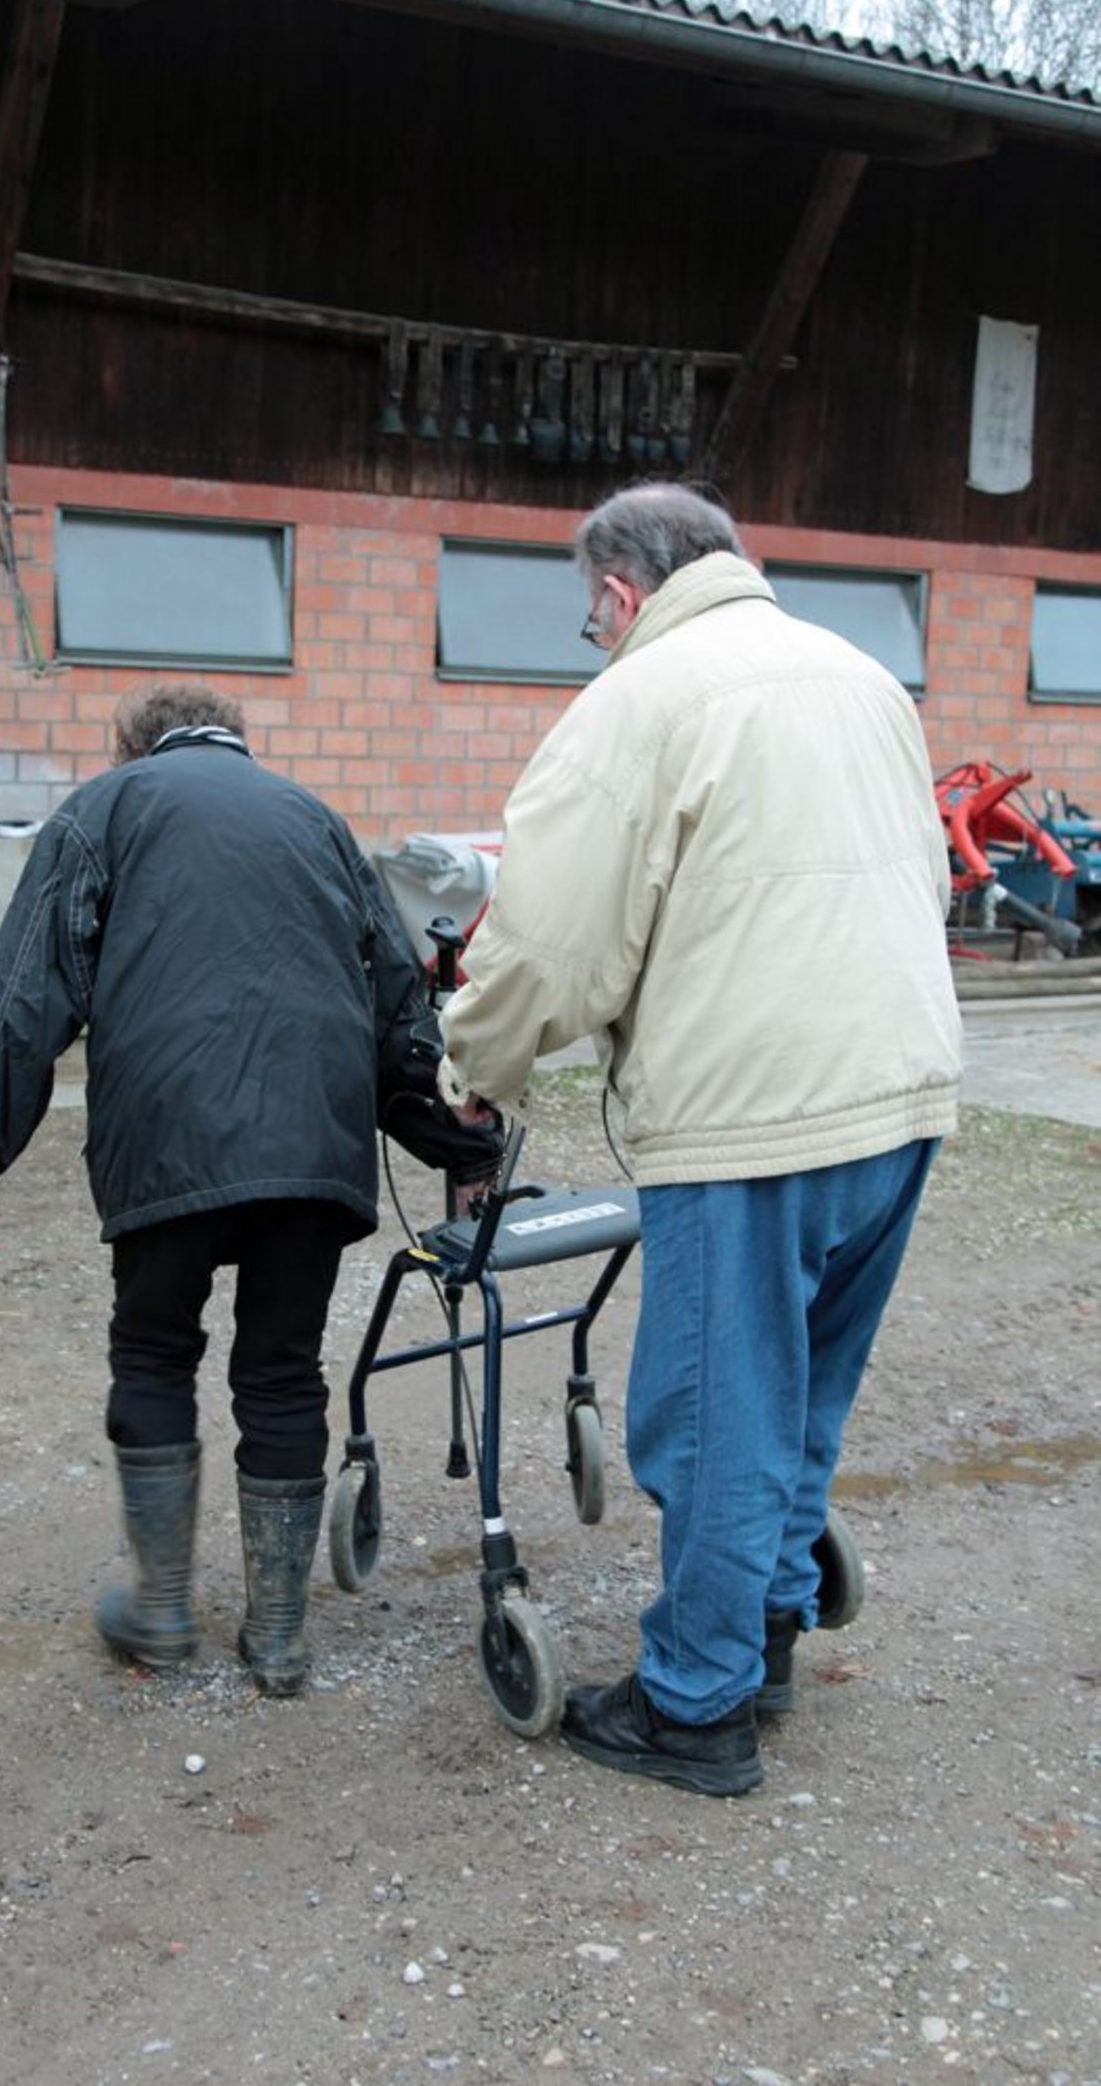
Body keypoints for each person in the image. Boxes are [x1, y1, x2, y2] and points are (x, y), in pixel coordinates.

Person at [438, 482, 962, 1796]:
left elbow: (549, 940)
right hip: (900, 1089)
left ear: (620, 593)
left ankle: (695, 1703)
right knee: (801, 1391)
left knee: (715, 1410)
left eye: (592, 618)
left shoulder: (641, 699)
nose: (598, 637)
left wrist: (475, 1067)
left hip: (752, 1111)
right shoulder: (863, 678)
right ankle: (765, 1633)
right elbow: (927, 875)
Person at [0, 684, 500, 1697]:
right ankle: (277, 1637)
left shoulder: (104, 809)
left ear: (132, 745)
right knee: (281, 1371)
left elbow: (25, 988)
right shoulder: (317, 820)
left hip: (164, 1136)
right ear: (237, 741)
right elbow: (396, 1005)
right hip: (313, 1144)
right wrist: (462, 1146)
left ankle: (160, 1610)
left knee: (154, 1350)